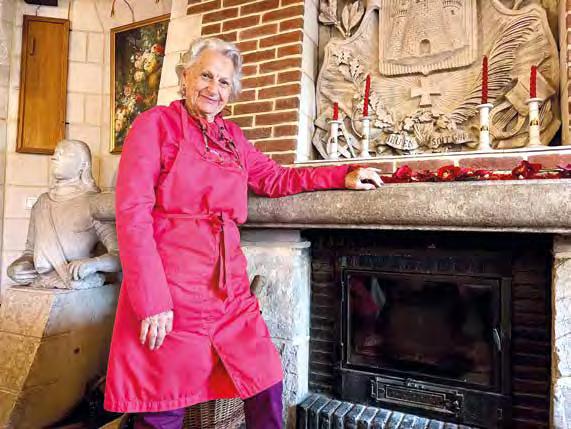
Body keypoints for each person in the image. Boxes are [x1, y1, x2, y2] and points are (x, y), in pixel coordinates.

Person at [104, 37, 383, 429]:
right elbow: (132, 214)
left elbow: (275, 178)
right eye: (206, 76)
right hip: (173, 286)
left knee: (265, 378)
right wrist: (152, 300)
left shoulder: (232, 137)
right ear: (185, 77)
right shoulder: (154, 125)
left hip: (229, 287)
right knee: (165, 403)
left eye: (224, 82)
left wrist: (340, 175)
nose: (213, 88)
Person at [7, 139, 120, 289]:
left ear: (83, 165)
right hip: (43, 280)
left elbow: (119, 256)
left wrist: (93, 264)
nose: (55, 157)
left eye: (65, 154)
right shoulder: (41, 203)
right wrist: (18, 268)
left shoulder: (95, 203)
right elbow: (30, 252)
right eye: (55, 153)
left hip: (77, 281)